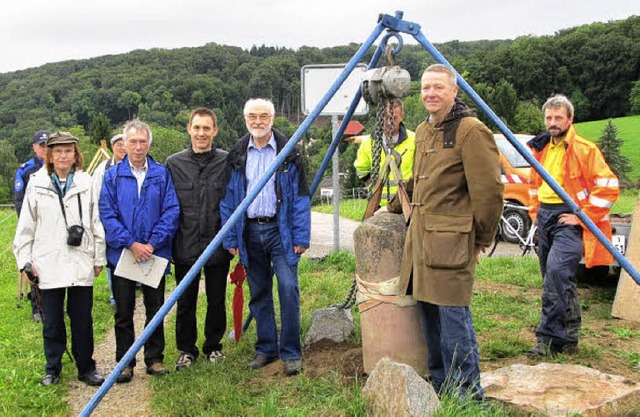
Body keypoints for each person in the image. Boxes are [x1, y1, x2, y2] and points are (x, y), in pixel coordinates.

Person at [394, 64, 503, 400]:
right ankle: (442, 385)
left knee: (454, 321)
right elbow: (422, 180)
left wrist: (480, 240)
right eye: (426, 88)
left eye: (438, 87)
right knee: (429, 316)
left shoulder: (471, 131)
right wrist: (395, 205)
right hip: (423, 243)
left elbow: (489, 193)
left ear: (454, 91)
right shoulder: (425, 130)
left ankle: (469, 396)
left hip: (453, 245)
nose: (430, 94)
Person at [220, 98, 311, 376]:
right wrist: (231, 238)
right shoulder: (235, 155)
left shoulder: (289, 153)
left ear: (272, 119)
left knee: (287, 288)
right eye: (252, 116)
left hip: (279, 231)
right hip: (249, 231)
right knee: (259, 293)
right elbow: (228, 200)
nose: (257, 121)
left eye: (263, 116)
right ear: (245, 119)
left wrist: (301, 236)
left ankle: (291, 352)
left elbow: (300, 198)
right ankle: (267, 348)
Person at [526, 95, 619, 357]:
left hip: (570, 219)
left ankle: (548, 339)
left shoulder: (585, 150)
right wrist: (535, 211)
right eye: (549, 118)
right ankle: (569, 335)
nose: (553, 123)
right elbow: (534, 184)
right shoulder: (541, 148)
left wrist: (581, 216)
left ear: (570, 119)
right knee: (555, 278)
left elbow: (609, 186)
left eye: (558, 118)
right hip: (545, 216)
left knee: (556, 274)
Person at [13, 132, 106, 387]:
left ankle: (86, 367)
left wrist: (98, 257)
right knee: (52, 322)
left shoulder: (86, 182)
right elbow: (26, 226)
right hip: (47, 261)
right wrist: (25, 262)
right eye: (58, 151)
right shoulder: (36, 182)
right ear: (49, 156)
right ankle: (52, 368)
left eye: (68, 151)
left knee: (82, 320)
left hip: (80, 259)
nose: (63, 156)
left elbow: (95, 221)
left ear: (76, 155)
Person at [99, 120, 180, 383]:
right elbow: (107, 213)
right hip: (123, 254)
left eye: (142, 141)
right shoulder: (112, 176)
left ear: (149, 144)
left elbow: (171, 210)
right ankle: (125, 362)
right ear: (124, 144)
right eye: (132, 141)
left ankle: (154, 359)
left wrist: (152, 243)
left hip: (154, 254)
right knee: (123, 310)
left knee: (155, 308)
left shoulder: (161, 173)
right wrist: (130, 243)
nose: (137, 147)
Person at [165, 108, 232, 370]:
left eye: (207, 128)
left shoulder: (227, 162)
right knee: (186, 300)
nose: (201, 133)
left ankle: (213, 346)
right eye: (197, 128)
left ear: (215, 130)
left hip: (217, 243)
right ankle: (186, 350)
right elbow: (167, 207)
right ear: (188, 129)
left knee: (216, 298)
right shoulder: (174, 163)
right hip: (185, 243)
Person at [14, 129, 50, 322]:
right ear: (34, 147)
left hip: (54, 229)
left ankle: (54, 307)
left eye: (47, 145)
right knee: (35, 270)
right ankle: (38, 308)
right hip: (35, 228)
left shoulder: (61, 166)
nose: (45, 149)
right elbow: (20, 203)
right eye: (41, 145)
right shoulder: (26, 170)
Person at [354, 98, 415, 205]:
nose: (389, 123)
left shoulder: (414, 140)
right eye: (385, 118)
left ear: (402, 116)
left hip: (407, 203)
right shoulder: (369, 143)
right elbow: (361, 168)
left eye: (394, 118)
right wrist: (373, 184)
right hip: (378, 204)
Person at [92, 133, 127, 307]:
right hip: (109, 221)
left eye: (124, 144)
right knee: (112, 258)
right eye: (119, 145)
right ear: (112, 147)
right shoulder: (103, 169)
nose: (122, 148)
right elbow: (97, 196)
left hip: (130, 223)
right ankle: (115, 296)